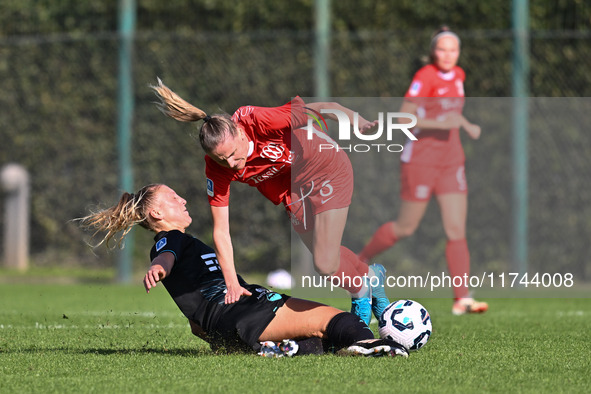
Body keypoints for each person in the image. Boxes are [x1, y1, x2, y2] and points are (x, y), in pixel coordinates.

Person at [150, 79, 389, 325]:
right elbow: (221, 230)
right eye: (222, 160)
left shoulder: (257, 120)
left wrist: (354, 119)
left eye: (232, 154)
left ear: (240, 132)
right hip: (293, 190)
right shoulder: (216, 169)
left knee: (325, 262)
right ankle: (371, 276)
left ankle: (360, 296)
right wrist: (231, 284)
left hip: (326, 169)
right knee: (325, 258)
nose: (231, 165)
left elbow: (320, 108)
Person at [77, 183, 408, 357]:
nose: (183, 199)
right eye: (173, 197)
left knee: (319, 339)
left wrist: (218, 338)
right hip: (245, 310)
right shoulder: (171, 239)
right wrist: (157, 268)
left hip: (228, 326)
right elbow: (166, 257)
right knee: (338, 321)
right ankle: (372, 345)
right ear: (156, 214)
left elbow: (195, 324)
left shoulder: (180, 243)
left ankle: (276, 349)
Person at [358, 26, 488, 315]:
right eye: (442, 49)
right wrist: (447, 124)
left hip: (451, 161)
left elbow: (451, 112)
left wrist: (466, 125)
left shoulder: (459, 75)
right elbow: (407, 115)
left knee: (456, 229)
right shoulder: (424, 76)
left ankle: (462, 298)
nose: (448, 55)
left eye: (453, 50)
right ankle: (360, 260)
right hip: (420, 160)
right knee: (406, 227)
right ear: (433, 52)